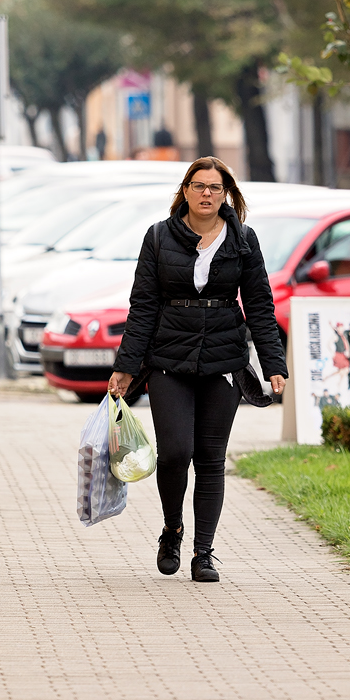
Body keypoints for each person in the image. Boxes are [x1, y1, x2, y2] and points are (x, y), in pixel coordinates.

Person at [107, 156, 288, 583]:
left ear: (227, 194)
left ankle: (203, 552)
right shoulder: (159, 237)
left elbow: (260, 305)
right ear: (185, 190)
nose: (207, 193)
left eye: (215, 187)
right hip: (169, 360)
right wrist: (126, 367)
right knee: (175, 453)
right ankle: (172, 530)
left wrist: (273, 361)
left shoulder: (243, 239)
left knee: (210, 459)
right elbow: (143, 307)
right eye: (199, 185)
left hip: (223, 363)